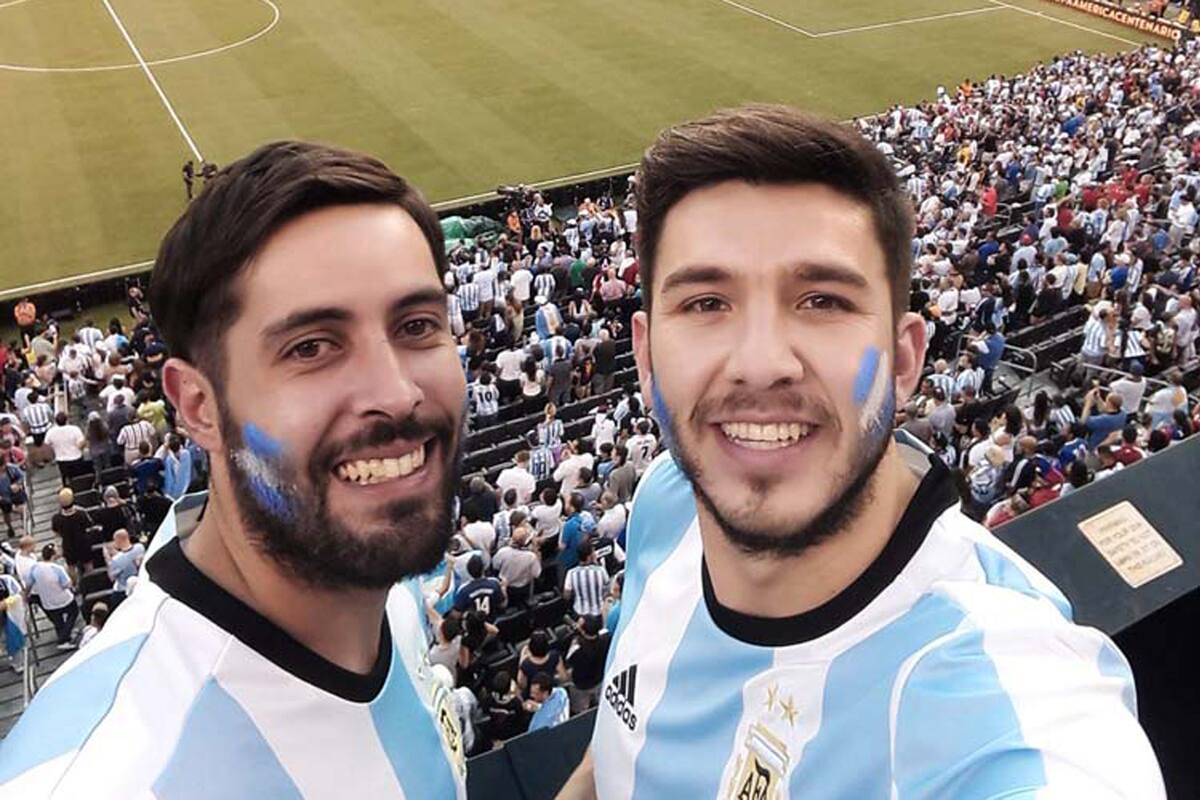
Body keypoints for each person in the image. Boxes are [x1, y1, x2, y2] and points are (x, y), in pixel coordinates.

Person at [564, 106, 1162, 799]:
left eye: (821, 300)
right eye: (705, 303)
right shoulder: (671, 498)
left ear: (906, 359)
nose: (760, 363)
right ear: (644, 356)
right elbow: (616, 750)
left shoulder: (1006, 702)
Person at [0, 142, 469, 798]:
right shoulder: (104, 778)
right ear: (198, 406)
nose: (396, 392)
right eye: (312, 347)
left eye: (418, 325)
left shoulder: (386, 589)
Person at [27, 544, 78, 650]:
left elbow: (29, 583)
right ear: (53, 555)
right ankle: (63, 639)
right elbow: (67, 584)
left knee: (58, 621)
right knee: (74, 613)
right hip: (63, 599)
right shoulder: (57, 569)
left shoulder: (35, 567)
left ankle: (65, 636)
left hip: (47, 602)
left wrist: (26, 594)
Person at [565, 614, 611, 715]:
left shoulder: (577, 648)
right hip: (600, 678)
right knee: (600, 703)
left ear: (583, 631)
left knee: (580, 711)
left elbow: (568, 660)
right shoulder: (606, 637)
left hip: (581, 685)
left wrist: (575, 640)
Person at [50, 487, 95, 584]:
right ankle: (91, 582)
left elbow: (56, 532)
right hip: (83, 543)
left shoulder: (56, 518)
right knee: (88, 564)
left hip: (68, 545)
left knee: (71, 567)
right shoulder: (81, 513)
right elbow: (90, 525)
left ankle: (75, 585)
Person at [563, 539, 609, 618]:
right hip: (599, 613)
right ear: (589, 557)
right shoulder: (601, 570)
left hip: (579, 613)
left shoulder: (571, 573)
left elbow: (566, 596)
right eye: (593, 552)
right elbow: (607, 590)